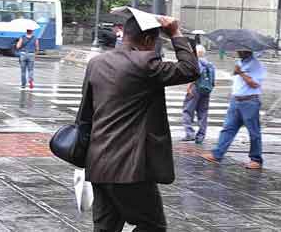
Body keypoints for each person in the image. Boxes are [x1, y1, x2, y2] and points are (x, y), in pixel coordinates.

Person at [76, 12, 199, 232]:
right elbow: (190, 70)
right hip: (129, 168)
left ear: (124, 35)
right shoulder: (144, 62)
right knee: (153, 225)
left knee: (105, 228)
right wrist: (175, 33)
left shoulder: (96, 63)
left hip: (98, 163)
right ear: (147, 40)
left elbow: (85, 115)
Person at [202, 50, 266, 170]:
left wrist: (240, 73)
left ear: (247, 50)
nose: (237, 51)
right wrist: (237, 72)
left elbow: (255, 84)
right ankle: (217, 154)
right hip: (236, 100)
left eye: (240, 49)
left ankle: (256, 159)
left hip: (249, 102)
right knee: (228, 128)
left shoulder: (257, 65)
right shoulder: (240, 62)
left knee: (253, 132)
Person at [181, 45, 216, 144]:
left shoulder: (197, 62)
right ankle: (201, 136)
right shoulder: (210, 64)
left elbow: (196, 74)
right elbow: (213, 81)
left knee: (187, 110)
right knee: (203, 113)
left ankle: (189, 133)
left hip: (196, 88)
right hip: (206, 90)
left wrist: (189, 86)